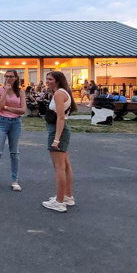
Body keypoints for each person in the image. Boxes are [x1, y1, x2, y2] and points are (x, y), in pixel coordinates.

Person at [42, 71, 77, 213]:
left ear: (57, 80)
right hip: (61, 131)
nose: (47, 81)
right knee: (66, 166)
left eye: (50, 79)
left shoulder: (59, 94)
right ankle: (67, 196)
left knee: (59, 167)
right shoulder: (62, 92)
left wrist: (56, 139)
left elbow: (61, 118)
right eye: (47, 79)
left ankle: (60, 201)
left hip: (58, 131)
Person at [0, 69, 26, 191]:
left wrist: (6, 107)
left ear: (16, 78)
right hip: (1, 121)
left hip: (15, 123)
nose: (8, 78)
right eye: (6, 76)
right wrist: (6, 92)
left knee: (14, 152)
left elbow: (23, 110)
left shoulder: (20, 92)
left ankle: (15, 181)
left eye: (11, 76)